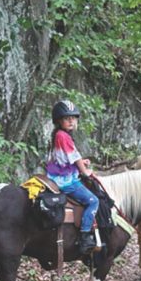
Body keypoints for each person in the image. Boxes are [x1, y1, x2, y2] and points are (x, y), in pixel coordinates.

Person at [46, 100, 99, 254]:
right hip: (65, 180)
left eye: (73, 118)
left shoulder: (58, 135)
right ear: (58, 121)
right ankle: (84, 235)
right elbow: (74, 158)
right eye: (66, 118)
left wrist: (81, 162)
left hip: (57, 174)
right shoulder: (64, 136)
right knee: (93, 201)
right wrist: (84, 171)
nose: (71, 121)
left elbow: (64, 157)